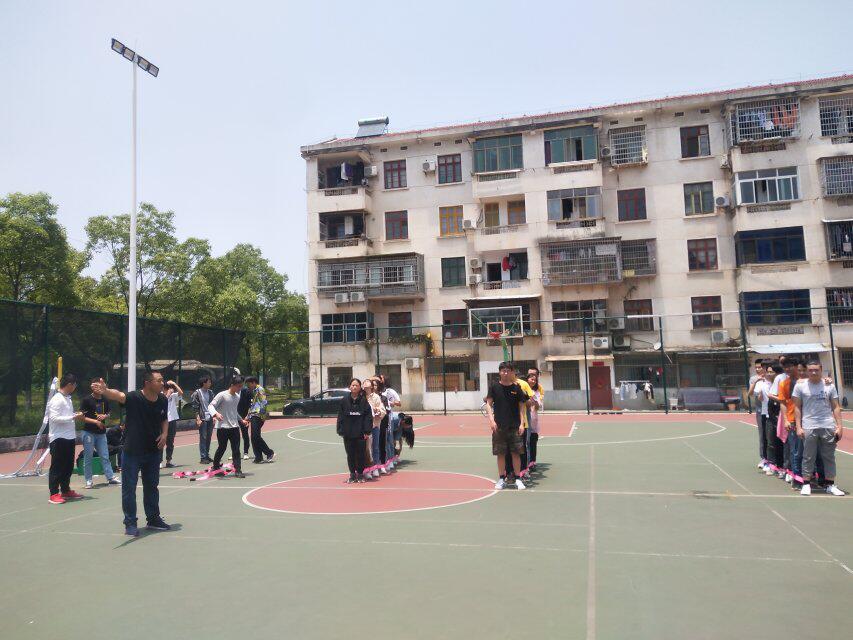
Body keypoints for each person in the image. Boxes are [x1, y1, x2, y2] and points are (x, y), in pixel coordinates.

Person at [93, 372, 171, 536]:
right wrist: (105, 391)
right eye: (159, 381)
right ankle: (130, 523)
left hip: (153, 451)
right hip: (132, 451)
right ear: (147, 382)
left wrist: (164, 434)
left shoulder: (163, 399)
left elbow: (164, 419)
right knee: (129, 488)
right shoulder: (134, 397)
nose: (162, 383)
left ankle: (153, 519)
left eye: (162, 380)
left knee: (152, 487)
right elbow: (119, 396)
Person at [793, 360, 845, 496]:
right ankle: (806, 484)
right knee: (808, 456)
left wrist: (840, 426)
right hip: (809, 426)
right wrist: (798, 427)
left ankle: (830, 485)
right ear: (807, 371)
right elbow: (797, 407)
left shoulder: (829, 386)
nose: (813, 372)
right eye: (810, 370)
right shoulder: (800, 386)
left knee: (829, 457)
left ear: (821, 370)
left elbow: (835, 407)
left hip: (828, 426)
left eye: (816, 369)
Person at [485, 361, 529, 490]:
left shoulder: (516, 388)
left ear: (511, 372)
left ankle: (518, 479)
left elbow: (522, 406)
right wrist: (491, 421)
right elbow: (489, 404)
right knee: (501, 454)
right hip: (499, 427)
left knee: (516, 453)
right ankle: (501, 479)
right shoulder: (494, 387)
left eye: (508, 371)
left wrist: (522, 423)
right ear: (499, 372)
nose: (505, 373)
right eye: (503, 370)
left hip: (515, 426)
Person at [47, 373, 85, 504]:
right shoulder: (57, 399)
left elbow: (66, 415)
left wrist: (75, 415)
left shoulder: (67, 398)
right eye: (74, 385)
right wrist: (73, 417)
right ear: (69, 385)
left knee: (68, 465)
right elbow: (54, 418)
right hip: (58, 438)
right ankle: (53, 493)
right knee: (57, 466)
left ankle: (65, 490)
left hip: (69, 437)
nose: (75, 387)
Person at [80, 378, 120, 489]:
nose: (98, 388)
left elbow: (109, 412)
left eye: (99, 386)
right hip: (88, 432)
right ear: (92, 387)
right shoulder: (86, 400)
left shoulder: (105, 399)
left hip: (101, 433)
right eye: (95, 386)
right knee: (88, 457)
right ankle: (88, 480)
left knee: (105, 456)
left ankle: (110, 477)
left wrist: (105, 416)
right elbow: (81, 417)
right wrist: (95, 422)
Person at [209, 375, 247, 479]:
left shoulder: (237, 397)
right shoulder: (222, 395)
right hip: (223, 427)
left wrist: (241, 420)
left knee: (236, 449)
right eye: (238, 386)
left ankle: (238, 470)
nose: (240, 388)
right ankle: (215, 466)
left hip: (234, 427)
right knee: (222, 448)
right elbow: (211, 406)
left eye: (241, 386)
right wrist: (216, 414)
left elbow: (234, 411)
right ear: (232, 385)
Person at [336, 378, 372, 483]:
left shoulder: (364, 401)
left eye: (356, 385)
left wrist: (367, 431)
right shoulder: (344, 401)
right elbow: (340, 416)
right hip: (348, 433)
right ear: (349, 387)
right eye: (353, 385)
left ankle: (360, 474)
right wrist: (341, 430)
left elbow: (368, 417)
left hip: (361, 434)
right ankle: (352, 474)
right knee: (350, 455)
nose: (354, 387)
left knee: (361, 455)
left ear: (360, 387)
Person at [245, 376, 274, 463]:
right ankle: (258, 456)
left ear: (254, 382)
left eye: (249, 384)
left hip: (258, 415)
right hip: (253, 414)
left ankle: (269, 452)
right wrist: (248, 415)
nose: (248, 386)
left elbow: (263, 402)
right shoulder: (253, 391)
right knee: (254, 437)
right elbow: (253, 404)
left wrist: (263, 416)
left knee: (255, 436)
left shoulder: (260, 389)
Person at [363, 378, 386, 479]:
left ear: (371, 386)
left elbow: (383, 410)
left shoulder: (376, 397)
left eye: (367, 382)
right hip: (364, 427)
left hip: (375, 425)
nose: (365, 383)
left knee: (375, 447)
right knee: (366, 449)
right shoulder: (361, 397)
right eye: (364, 383)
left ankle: (375, 467)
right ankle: (367, 468)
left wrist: (377, 410)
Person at [191, 376, 215, 464]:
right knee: (203, 437)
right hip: (202, 418)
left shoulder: (211, 392)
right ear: (204, 383)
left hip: (210, 418)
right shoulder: (197, 393)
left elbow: (213, 405)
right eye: (209, 382)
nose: (210, 383)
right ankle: (203, 457)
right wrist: (198, 419)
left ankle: (207, 455)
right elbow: (195, 408)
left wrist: (214, 416)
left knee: (208, 437)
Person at [380, 374, 402, 470]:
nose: (379, 379)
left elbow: (399, 403)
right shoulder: (376, 392)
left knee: (389, 439)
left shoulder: (390, 391)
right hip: (378, 417)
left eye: (381, 378)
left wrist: (390, 402)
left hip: (388, 416)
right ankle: (381, 461)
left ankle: (391, 459)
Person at [747, 358, 766, 468]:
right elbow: (750, 393)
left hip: (772, 410)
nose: (758, 369)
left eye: (760, 367)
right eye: (756, 368)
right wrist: (756, 382)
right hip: (760, 410)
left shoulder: (770, 378)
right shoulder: (754, 379)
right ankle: (763, 458)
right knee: (762, 434)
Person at [162, 380, 184, 468]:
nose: (168, 389)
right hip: (162, 420)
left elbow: (181, 393)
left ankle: (169, 460)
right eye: (166, 388)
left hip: (172, 420)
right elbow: (162, 402)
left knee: (170, 441)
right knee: (161, 441)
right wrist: (167, 394)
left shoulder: (173, 395)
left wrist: (174, 384)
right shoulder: (159, 395)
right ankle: (159, 461)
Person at [526, 370, 544, 470]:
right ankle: (526, 463)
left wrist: (535, 401)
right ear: (527, 380)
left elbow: (537, 406)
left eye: (535, 380)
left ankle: (532, 462)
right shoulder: (523, 390)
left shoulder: (537, 392)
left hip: (534, 421)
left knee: (533, 442)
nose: (533, 381)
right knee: (526, 443)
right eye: (531, 379)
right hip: (525, 421)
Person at [237, 382, 252, 461]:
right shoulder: (232, 391)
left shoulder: (246, 391)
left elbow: (250, 405)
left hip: (244, 416)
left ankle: (245, 452)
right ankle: (235, 453)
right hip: (234, 416)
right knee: (234, 435)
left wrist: (247, 416)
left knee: (245, 434)